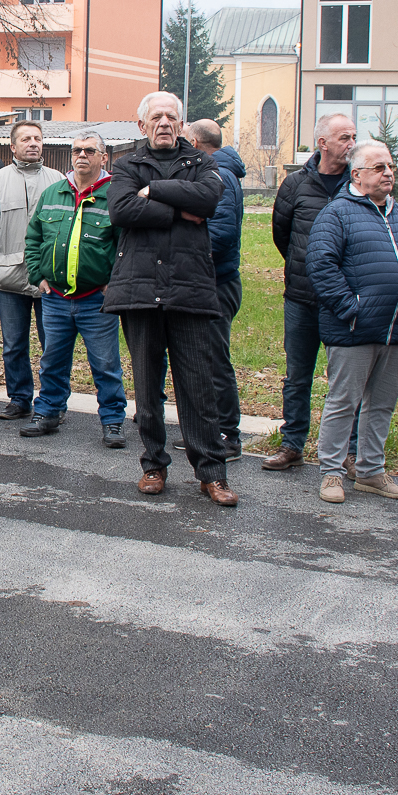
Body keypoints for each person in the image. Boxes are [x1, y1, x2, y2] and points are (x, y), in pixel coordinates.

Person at [105, 91, 236, 506]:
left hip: (189, 288)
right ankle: (153, 465)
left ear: (182, 124)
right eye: (156, 116)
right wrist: (180, 209)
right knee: (147, 389)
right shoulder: (126, 165)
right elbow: (121, 211)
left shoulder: (203, 163)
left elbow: (209, 200)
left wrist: (154, 190)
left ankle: (212, 473)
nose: (164, 122)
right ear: (142, 125)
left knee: (198, 387)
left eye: (171, 116)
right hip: (140, 289)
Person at [306, 141, 398, 502]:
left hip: (397, 327)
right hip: (353, 330)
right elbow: (321, 265)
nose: (388, 173)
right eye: (379, 168)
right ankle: (332, 473)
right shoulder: (337, 214)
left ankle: (370, 471)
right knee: (343, 402)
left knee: (381, 403)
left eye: (390, 166)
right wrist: (353, 309)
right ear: (357, 175)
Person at [264, 113, 358, 472]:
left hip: (346, 300)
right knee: (298, 375)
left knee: (347, 380)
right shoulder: (295, 184)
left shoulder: (358, 183)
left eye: (353, 137)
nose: (351, 144)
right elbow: (282, 234)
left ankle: (349, 451)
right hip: (301, 298)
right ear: (323, 143)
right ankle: (292, 444)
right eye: (344, 137)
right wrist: (304, 267)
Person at [23, 130, 128, 446]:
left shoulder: (116, 195)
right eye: (77, 150)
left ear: (103, 157)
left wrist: (113, 283)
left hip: (96, 299)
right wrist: (37, 275)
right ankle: (48, 412)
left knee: (105, 365)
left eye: (89, 151)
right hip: (55, 297)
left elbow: (126, 246)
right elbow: (33, 238)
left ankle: (112, 421)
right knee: (52, 360)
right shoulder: (53, 193)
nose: (82, 155)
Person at [0, 121, 63, 421]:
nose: (33, 143)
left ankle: (54, 402)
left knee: (54, 345)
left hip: (49, 281)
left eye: (37, 138)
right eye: (25, 139)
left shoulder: (58, 181)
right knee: (13, 345)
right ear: (13, 146)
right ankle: (20, 398)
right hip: (9, 281)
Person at [190, 119, 246, 459]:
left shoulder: (219, 176)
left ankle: (228, 435)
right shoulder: (218, 171)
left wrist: (183, 254)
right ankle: (209, 433)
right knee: (202, 360)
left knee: (214, 361)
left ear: (195, 143)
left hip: (216, 284)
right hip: (208, 282)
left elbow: (220, 235)